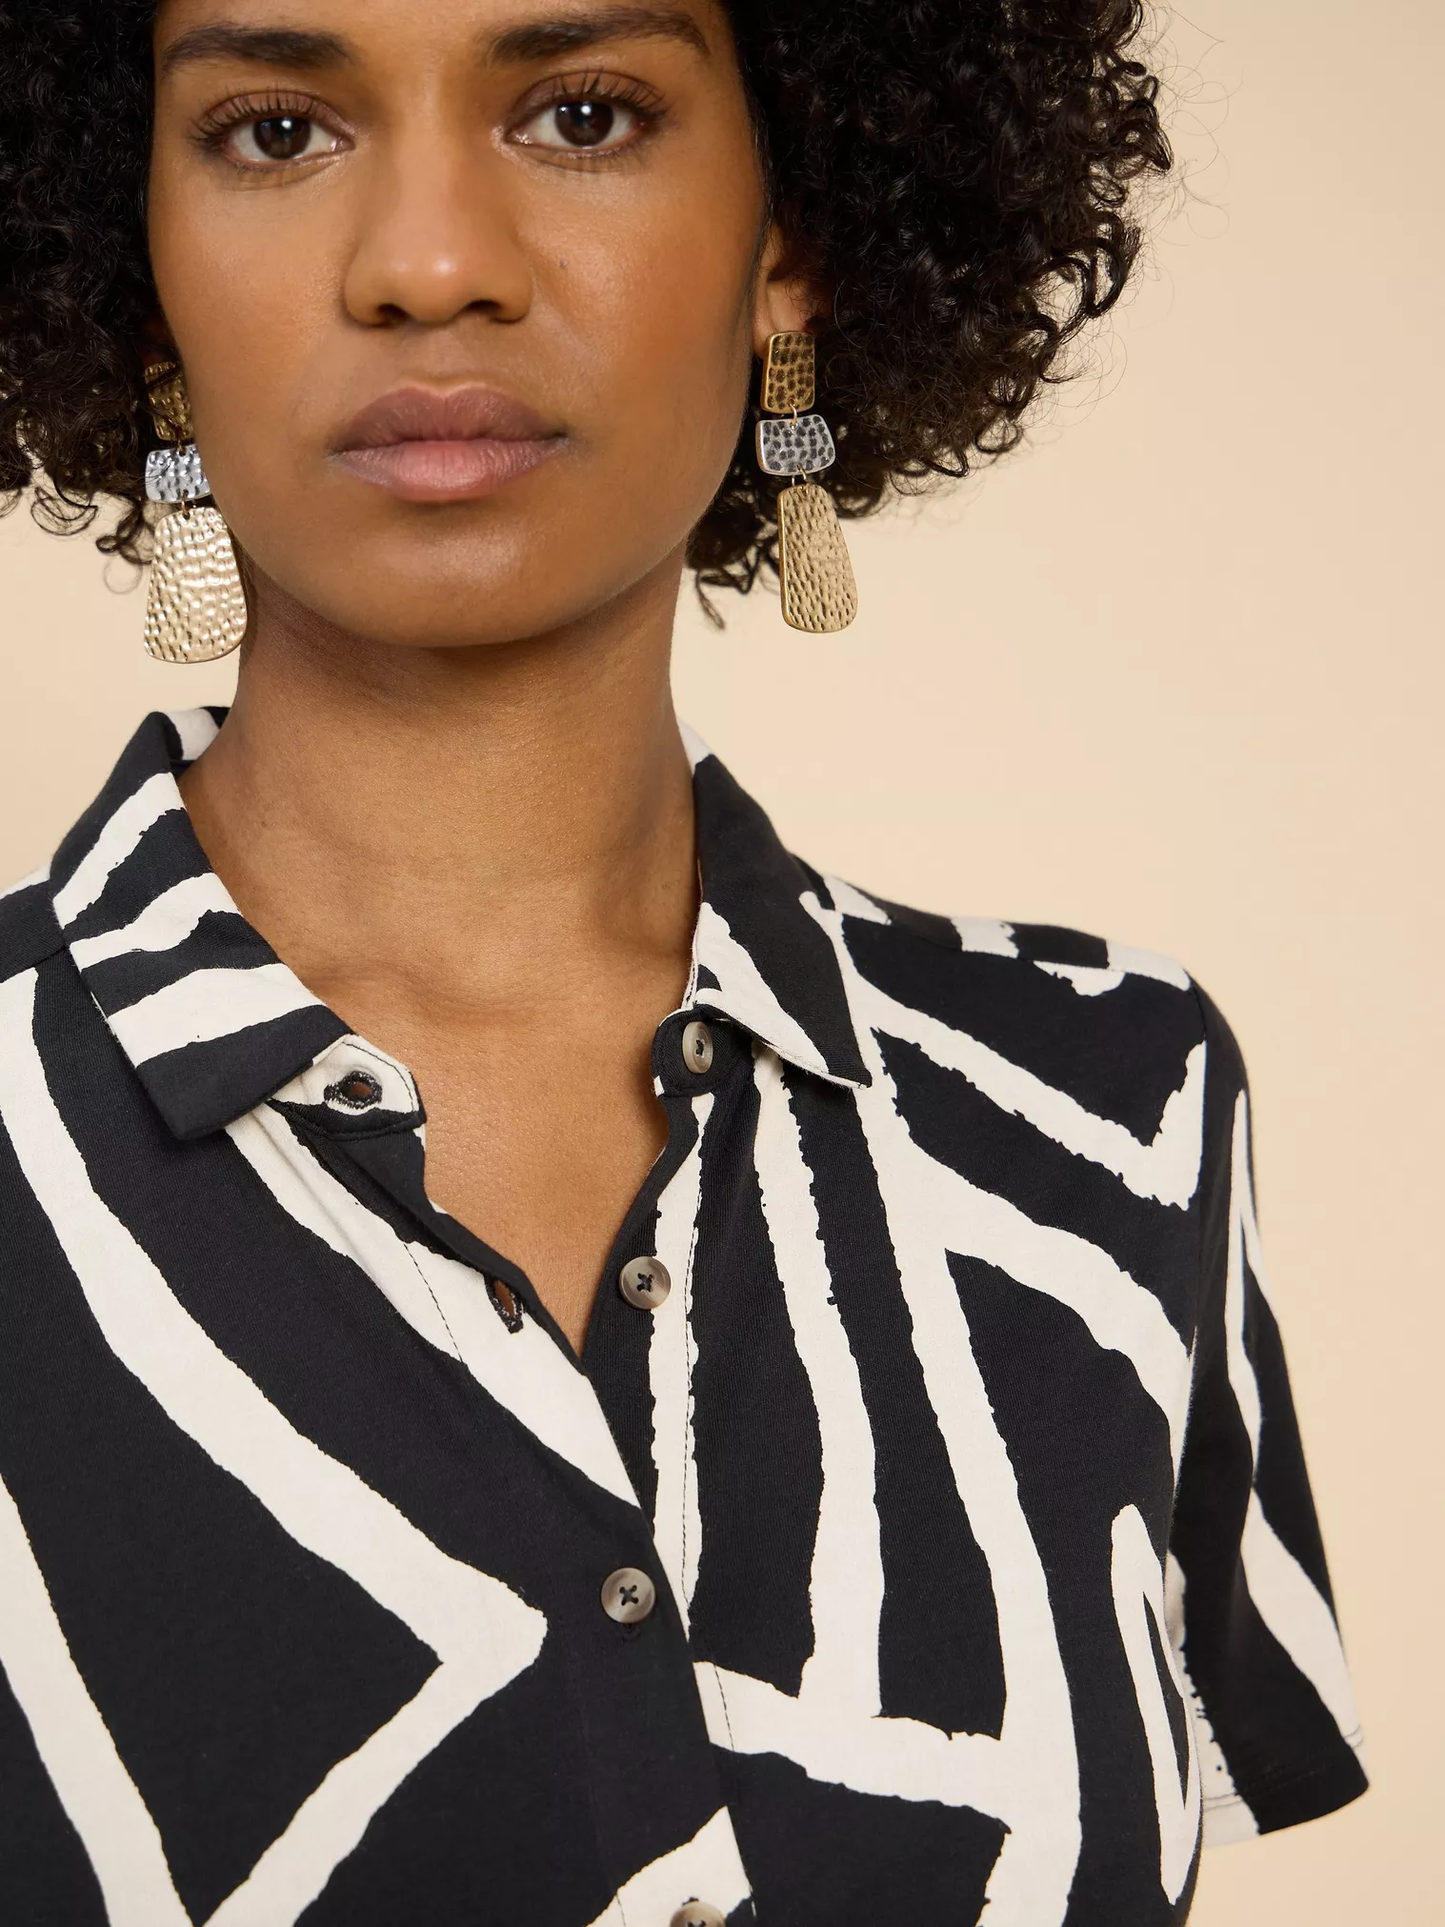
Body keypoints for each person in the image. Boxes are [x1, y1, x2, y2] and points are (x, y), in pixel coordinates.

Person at [0, 2, 1366, 1922]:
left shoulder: (1114, 1120)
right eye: (277, 132)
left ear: (791, 234)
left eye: (580, 113)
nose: (430, 265)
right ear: (130, 250)